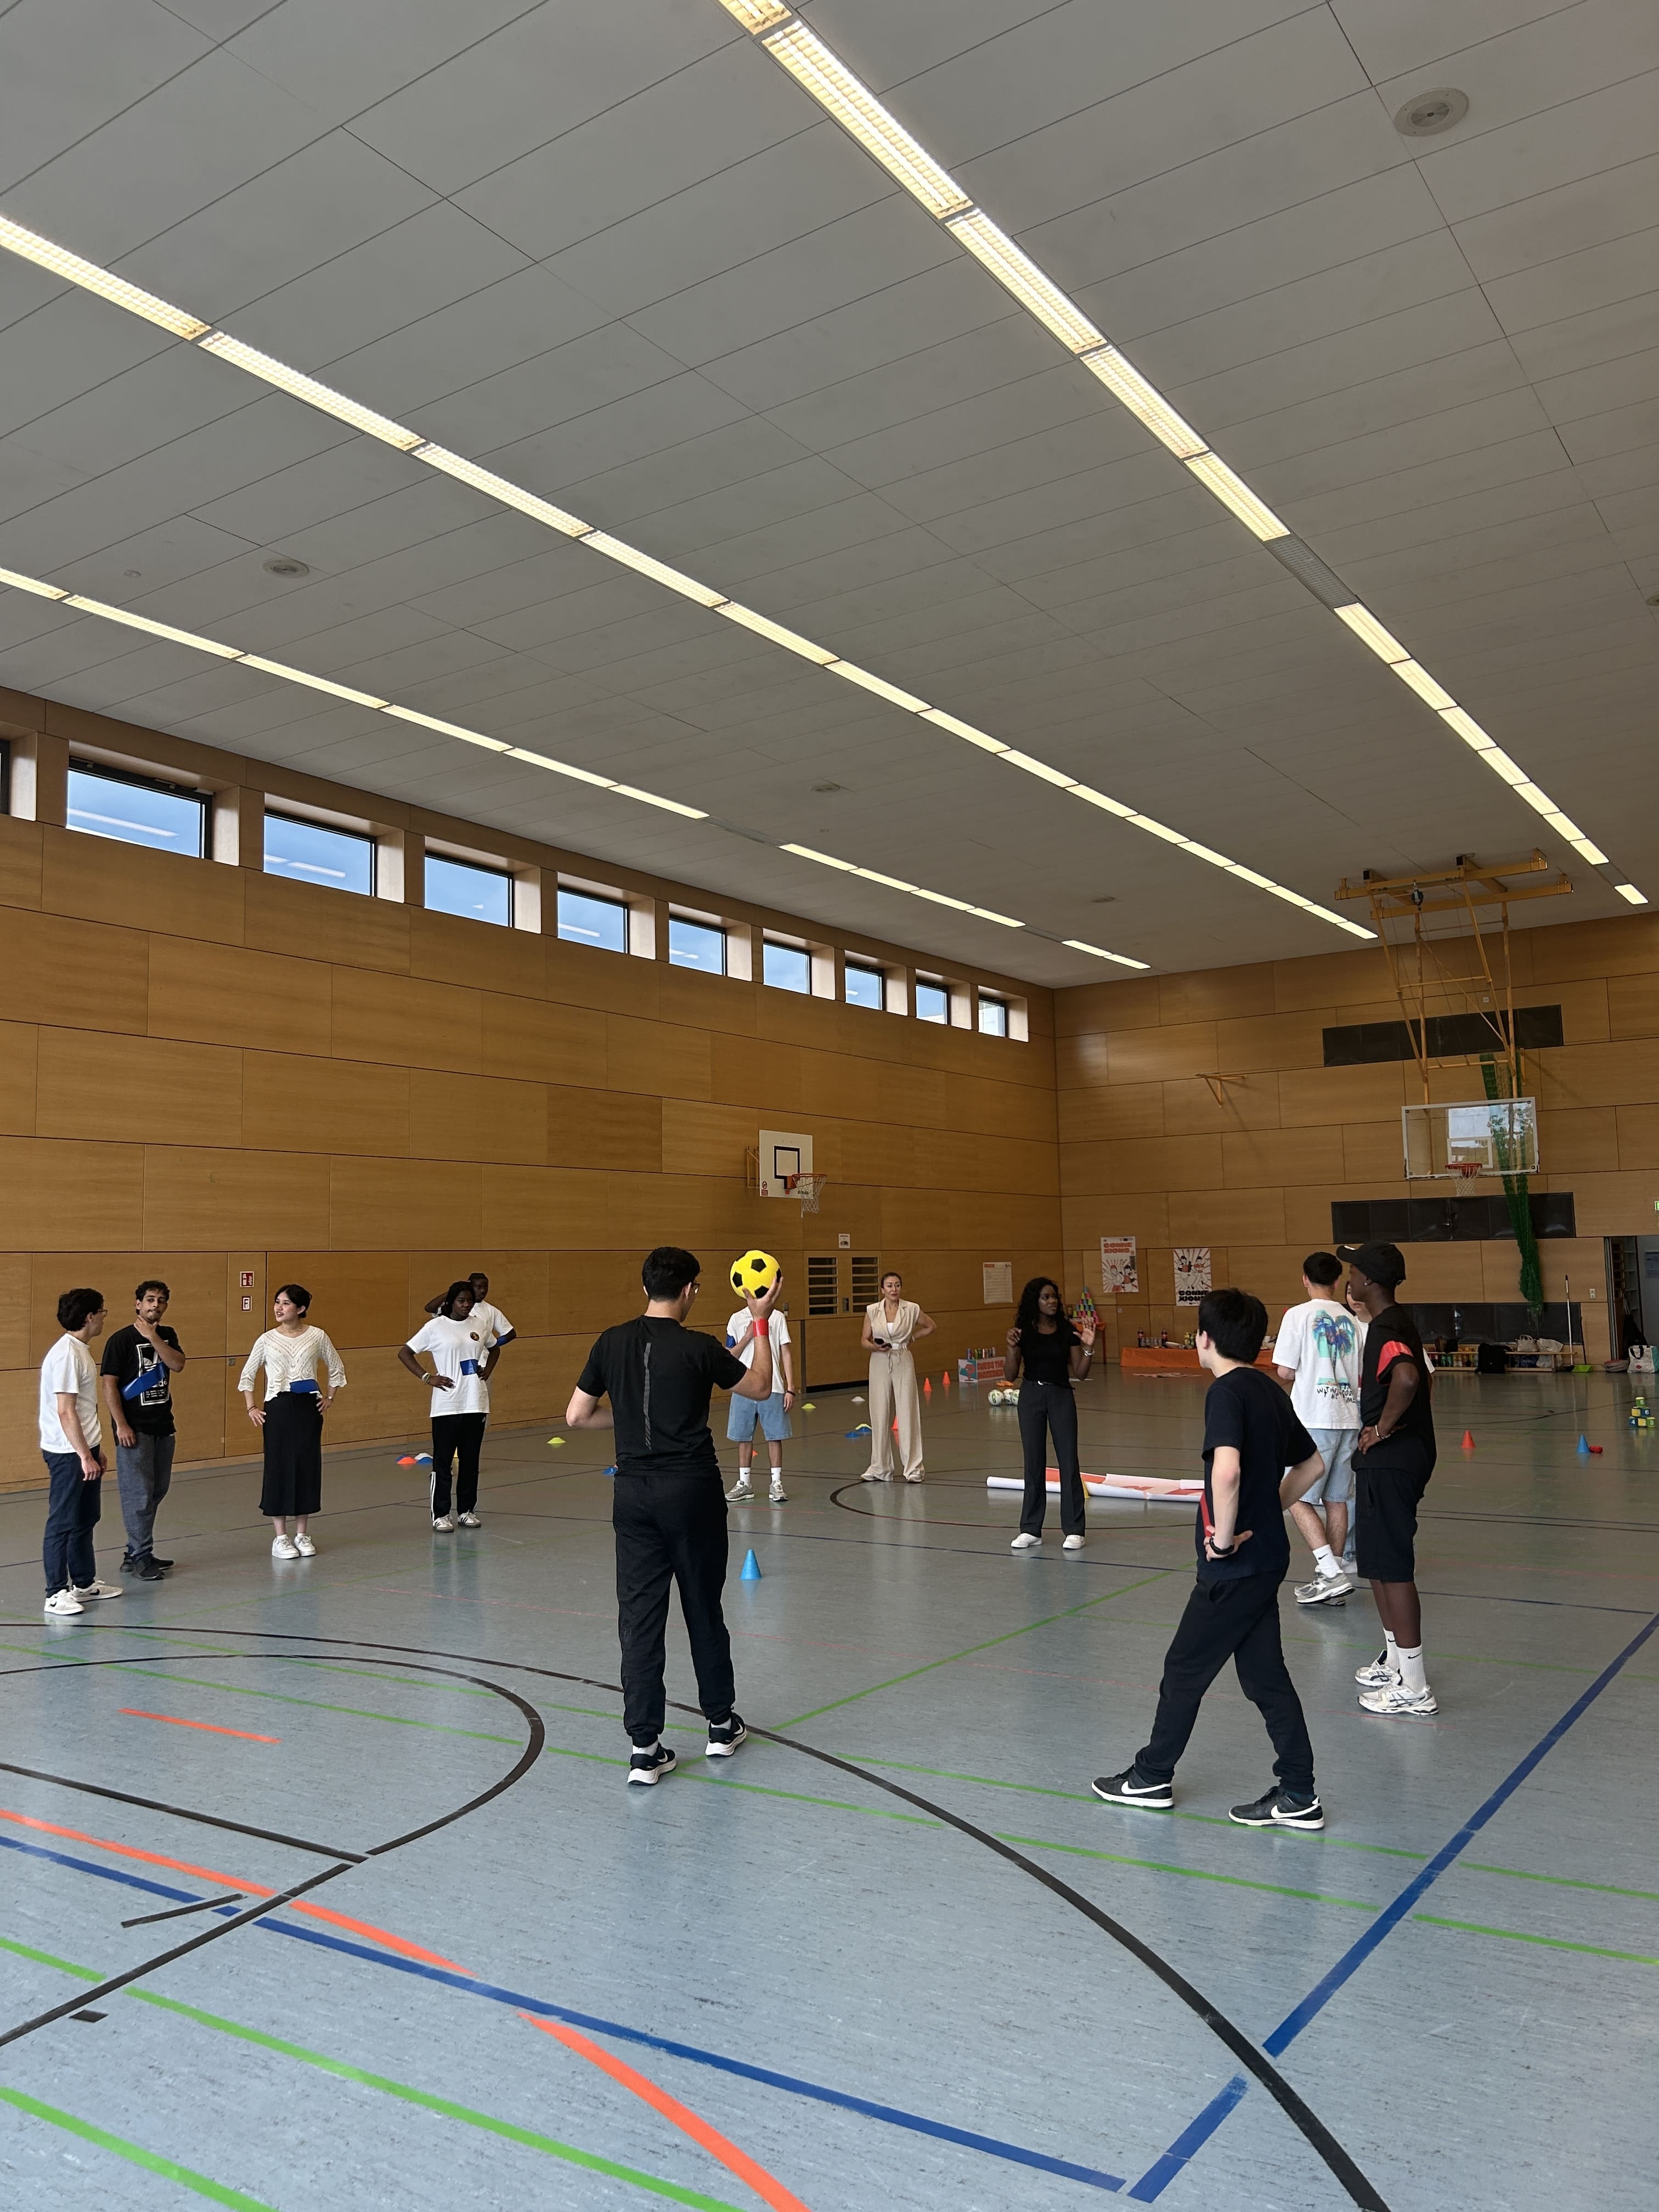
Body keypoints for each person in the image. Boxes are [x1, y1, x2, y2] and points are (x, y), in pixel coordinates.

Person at [1092, 1286, 1327, 1831]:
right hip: (1268, 1557)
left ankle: (1151, 1777)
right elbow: (1312, 1465)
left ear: (1205, 1339)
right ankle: (1299, 1793)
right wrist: (1268, 1509)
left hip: (1236, 1566)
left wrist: (1222, 1540)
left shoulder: (1226, 1393)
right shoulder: (1268, 1390)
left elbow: (1227, 1471)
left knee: (1184, 1669)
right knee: (1265, 1679)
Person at [566, 1246, 782, 1785]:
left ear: (646, 1289)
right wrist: (759, 1321)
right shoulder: (698, 1348)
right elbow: (760, 1386)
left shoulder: (610, 1341)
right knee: (702, 1608)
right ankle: (720, 1726)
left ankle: (644, 1749)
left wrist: (625, 1423)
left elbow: (577, 1415)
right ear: (689, 1291)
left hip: (633, 1497)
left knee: (639, 1619)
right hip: (691, 1492)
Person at [1338, 1242, 1438, 1717]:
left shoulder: (1386, 1328)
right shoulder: (1395, 1323)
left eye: (1354, 1271)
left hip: (1392, 1460)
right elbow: (1425, 1380)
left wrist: (1382, 1429)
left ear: (1370, 1282)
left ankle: (1415, 1687)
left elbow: (1409, 1378)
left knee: (1393, 1568)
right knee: (1377, 1564)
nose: (1349, 1278)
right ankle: (1396, 1663)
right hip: (1392, 1458)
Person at [1272, 1254, 1362, 1607]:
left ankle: (1329, 1570)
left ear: (1305, 1279)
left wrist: (1307, 1370)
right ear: (1338, 1282)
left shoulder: (1297, 1315)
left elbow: (1284, 1371)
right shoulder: (1353, 1320)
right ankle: (1332, 1577)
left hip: (1313, 1417)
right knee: (1337, 1499)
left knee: (1294, 1497)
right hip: (1348, 1417)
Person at [239, 1285, 347, 1560]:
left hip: (308, 1409)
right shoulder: (266, 1340)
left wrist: (330, 1397)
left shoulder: (317, 1336)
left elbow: (336, 1367)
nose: (279, 1307)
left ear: (300, 1309)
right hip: (278, 1409)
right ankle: (280, 1537)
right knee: (278, 1467)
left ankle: (302, 1534)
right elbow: (247, 1375)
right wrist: (252, 1407)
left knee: (306, 1467)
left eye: (286, 1303)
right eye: (277, 1302)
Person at [41, 1288, 122, 1617]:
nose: (104, 1317)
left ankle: (84, 1584)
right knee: (62, 1522)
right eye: (102, 1311)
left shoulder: (81, 1350)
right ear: (90, 1317)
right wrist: (83, 1455)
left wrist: (94, 1449)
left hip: (84, 1448)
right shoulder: (66, 1355)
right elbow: (66, 1411)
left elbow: (85, 1410)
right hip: (67, 1453)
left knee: (86, 1517)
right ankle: (55, 1593)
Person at [99, 1278, 185, 1583]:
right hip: (134, 1429)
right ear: (138, 1304)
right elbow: (109, 1385)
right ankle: (141, 1556)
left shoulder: (168, 1335)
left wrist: (153, 1338)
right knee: (138, 1495)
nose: (155, 1305)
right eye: (150, 1299)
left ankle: (134, 1551)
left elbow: (177, 1364)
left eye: (161, 1301)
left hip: (163, 1425)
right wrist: (121, 1425)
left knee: (157, 1490)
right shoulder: (120, 1340)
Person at [1004, 1277, 1097, 1552]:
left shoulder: (1067, 1331)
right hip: (1031, 1396)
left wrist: (1089, 1347)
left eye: (1054, 1296)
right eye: (1046, 1297)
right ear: (1035, 1301)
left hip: (1060, 1396)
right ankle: (1031, 1529)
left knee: (1068, 1460)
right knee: (1033, 1461)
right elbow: (1010, 1374)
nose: (1052, 1301)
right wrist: (1011, 1348)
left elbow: (1081, 1372)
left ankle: (1075, 1530)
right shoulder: (1023, 1333)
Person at [400, 1280, 500, 1530]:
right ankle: (441, 1514)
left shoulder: (480, 1325)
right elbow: (405, 1353)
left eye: (470, 1301)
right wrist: (428, 1377)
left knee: (470, 1462)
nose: (466, 1305)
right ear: (451, 1302)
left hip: (475, 1402)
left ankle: (467, 1511)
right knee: (443, 1462)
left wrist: (487, 1370)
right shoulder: (436, 1327)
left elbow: (495, 1349)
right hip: (447, 1404)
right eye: (461, 1301)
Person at [859, 1271, 936, 1483]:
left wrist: (913, 1338)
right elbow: (864, 1340)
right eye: (890, 1286)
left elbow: (930, 1326)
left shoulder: (911, 1309)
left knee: (907, 1411)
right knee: (879, 1412)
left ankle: (914, 1468)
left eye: (897, 1285)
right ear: (882, 1289)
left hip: (902, 1358)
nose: (894, 1289)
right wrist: (874, 1347)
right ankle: (880, 1467)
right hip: (879, 1360)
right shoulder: (872, 1310)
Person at [724, 1294, 797, 1505]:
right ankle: (744, 1484)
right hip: (743, 1387)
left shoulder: (777, 1318)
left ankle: (776, 1483)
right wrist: (748, 1336)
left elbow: (786, 1353)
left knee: (775, 1437)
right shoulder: (736, 1319)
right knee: (743, 1437)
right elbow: (729, 1355)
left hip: (773, 1387)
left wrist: (790, 1388)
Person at [425, 1272, 516, 1366]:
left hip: (480, 1363)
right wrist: (455, 1291)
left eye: (485, 1287)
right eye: (479, 1287)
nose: (483, 1291)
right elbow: (430, 1308)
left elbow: (511, 1333)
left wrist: (490, 1345)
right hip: (454, 1362)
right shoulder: (455, 1307)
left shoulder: (492, 1310)